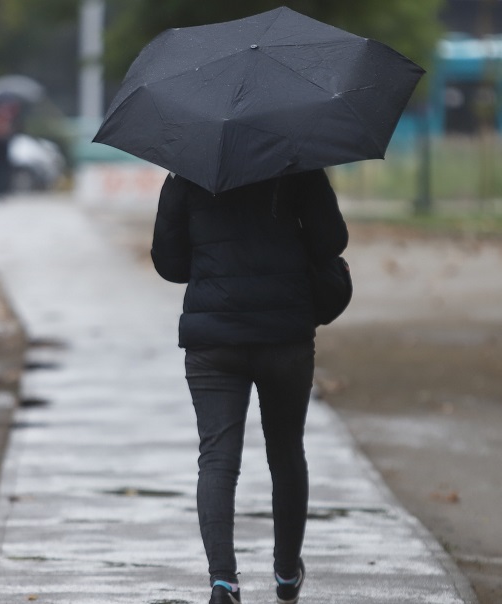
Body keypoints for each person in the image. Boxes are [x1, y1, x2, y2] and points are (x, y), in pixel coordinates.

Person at [151, 168, 348, 604]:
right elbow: (331, 241)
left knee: (217, 458)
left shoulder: (188, 170)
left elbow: (169, 262)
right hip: (284, 333)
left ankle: (224, 581)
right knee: (286, 451)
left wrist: (211, 262)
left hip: (213, 337)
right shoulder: (298, 162)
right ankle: (285, 573)